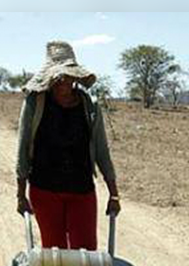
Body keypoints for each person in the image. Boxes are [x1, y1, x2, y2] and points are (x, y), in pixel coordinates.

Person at [15, 41, 120, 251]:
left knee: (86, 253)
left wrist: (113, 194)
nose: (64, 81)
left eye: (68, 75)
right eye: (59, 76)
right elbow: (23, 148)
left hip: (82, 190)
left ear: (75, 76)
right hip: (44, 190)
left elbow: (101, 151)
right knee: (55, 255)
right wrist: (20, 195)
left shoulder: (89, 106)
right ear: (51, 77)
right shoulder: (35, 103)